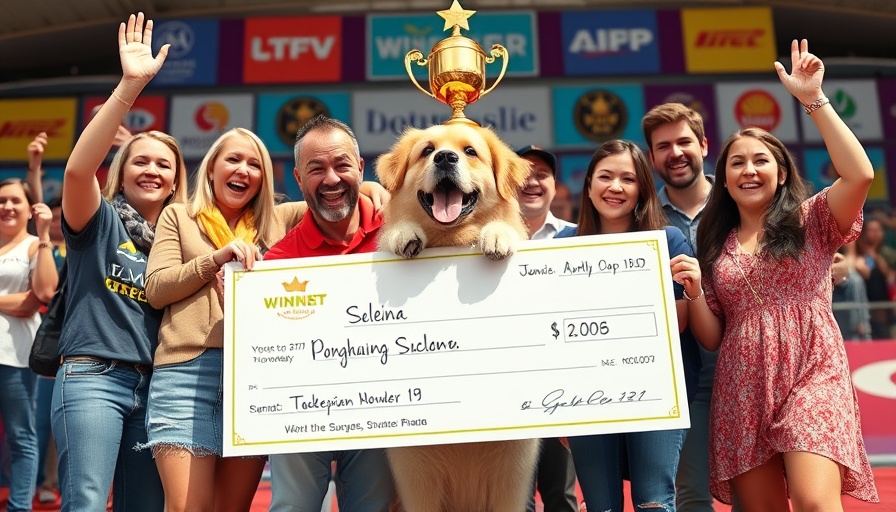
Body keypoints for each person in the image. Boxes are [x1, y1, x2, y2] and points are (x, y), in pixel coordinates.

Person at [672, 40, 879, 508]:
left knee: (814, 502)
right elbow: (711, 336)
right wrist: (697, 292)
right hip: (741, 386)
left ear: (782, 173)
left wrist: (813, 99)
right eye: (737, 163)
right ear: (722, 178)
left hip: (813, 371)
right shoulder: (714, 246)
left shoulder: (814, 220)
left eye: (761, 160)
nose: (749, 170)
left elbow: (861, 175)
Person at [53, 12, 188, 511]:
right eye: (140, 160)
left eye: (163, 164)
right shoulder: (99, 220)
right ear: (120, 172)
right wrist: (129, 87)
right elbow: (76, 168)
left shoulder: (181, 240)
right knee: (86, 502)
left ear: (176, 181)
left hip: (156, 389)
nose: (151, 170)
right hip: (94, 378)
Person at [265, 115, 395, 512]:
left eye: (341, 165)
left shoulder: (404, 235)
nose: (332, 179)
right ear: (298, 178)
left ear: (360, 168)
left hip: (382, 408)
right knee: (292, 507)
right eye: (316, 169)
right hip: (302, 411)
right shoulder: (277, 261)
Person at [561, 139, 693, 511]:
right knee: (600, 507)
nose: (615, 187)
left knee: (654, 503)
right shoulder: (563, 245)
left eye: (628, 179)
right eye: (605, 177)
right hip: (585, 398)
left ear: (642, 190)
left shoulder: (669, 241)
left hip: (654, 393)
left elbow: (679, 325)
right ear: (588, 185)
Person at [641, 102, 719, 512]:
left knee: (757, 498)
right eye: (663, 146)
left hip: (745, 371)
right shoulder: (641, 219)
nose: (675, 153)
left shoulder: (741, 203)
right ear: (651, 157)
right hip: (681, 381)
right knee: (691, 499)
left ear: (704, 145)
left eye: (684, 141)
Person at [515, 144, 578, 512]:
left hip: (563, 389)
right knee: (513, 499)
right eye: (523, 173)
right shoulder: (480, 243)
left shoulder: (581, 237)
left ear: (555, 186)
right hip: (508, 387)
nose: (532, 181)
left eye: (542, 174)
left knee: (561, 496)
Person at [0, 177, 57, 512]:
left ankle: (19, 507)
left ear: (28, 209)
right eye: (1, 200)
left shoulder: (35, 246)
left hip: (16, 356)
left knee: (21, 437)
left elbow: (40, 297)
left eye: (14, 201)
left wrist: (45, 234)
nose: (7, 207)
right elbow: (19, 301)